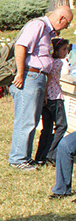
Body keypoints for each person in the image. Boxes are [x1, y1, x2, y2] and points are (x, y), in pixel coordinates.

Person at [9, 6, 73, 171]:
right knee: (26, 119)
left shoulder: (47, 31)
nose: (65, 28)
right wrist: (20, 74)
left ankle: (25, 157)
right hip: (30, 76)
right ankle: (17, 159)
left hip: (37, 77)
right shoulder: (37, 26)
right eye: (66, 24)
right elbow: (20, 46)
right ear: (61, 19)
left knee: (32, 120)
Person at [35, 38, 71, 166]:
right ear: (56, 50)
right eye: (64, 49)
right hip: (55, 97)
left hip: (47, 97)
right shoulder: (58, 63)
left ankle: (40, 156)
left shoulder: (49, 62)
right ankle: (51, 153)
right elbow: (50, 78)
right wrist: (45, 94)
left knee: (47, 128)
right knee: (62, 125)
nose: (66, 52)